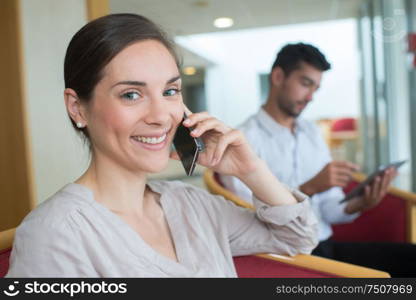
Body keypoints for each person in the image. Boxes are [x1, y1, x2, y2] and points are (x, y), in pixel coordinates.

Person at [6, 15, 318, 278]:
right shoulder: (54, 235)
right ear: (78, 108)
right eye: (131, 94)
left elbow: (297, 237)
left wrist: (251, 169)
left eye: (170, 91)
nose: (160, 117)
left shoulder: (192, 205)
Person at [221, 43, 416, 277]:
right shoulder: (243, 142)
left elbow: (330, 211)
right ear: (278, 76)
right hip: (288, 258)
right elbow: (250, 219)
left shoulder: (311, 133)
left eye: (316, 88)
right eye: (305, 84)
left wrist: (361, 203)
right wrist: (310, 187)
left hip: (324, 244)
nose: (311, 96)